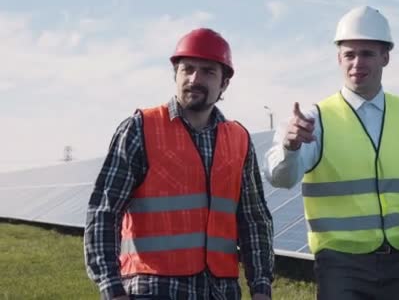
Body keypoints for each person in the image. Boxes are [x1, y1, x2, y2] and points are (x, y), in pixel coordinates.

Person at [265, 6, 399, 299]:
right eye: (349, 54)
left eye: (367, 53)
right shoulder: (314, 120)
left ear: (386, 57)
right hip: (340, 267)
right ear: (338, 59)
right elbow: (279, 177)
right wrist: (289, 147)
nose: (357, 62)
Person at [85, 28, 274, 300]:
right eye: (188, 69)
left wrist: (261, 287)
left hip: (220, 291)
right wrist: (112, 289)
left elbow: (254, 219)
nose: (195, 79)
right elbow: (104, 210)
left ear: (224, 84)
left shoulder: (238, 139)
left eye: (208, 71)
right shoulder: (140, 129)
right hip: (153, 289)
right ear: (176, 74)